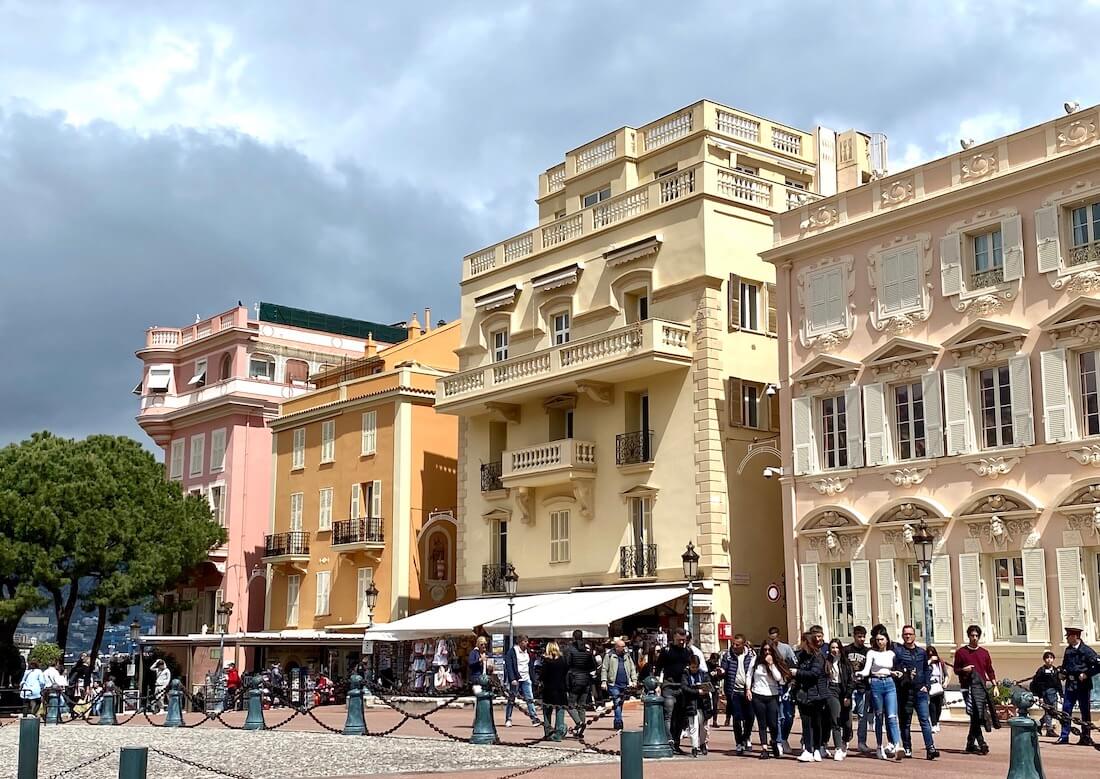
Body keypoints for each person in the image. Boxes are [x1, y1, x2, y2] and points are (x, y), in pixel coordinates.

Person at [894, 625, 939, 760]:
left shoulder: (921, 652)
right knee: (905, 722)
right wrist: (904, 675)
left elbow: (926, 669)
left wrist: (927, 685)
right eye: (905, 634)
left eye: (910, 634)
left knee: (925, 720)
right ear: (902, 636)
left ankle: (930, 748)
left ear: (914, 636)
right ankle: (907, 748)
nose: (908, 636)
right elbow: (896, 670)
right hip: (905, 691)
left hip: (920, 691)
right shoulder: (899, 652)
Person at [858, 629, 903, 761]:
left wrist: (895, 673)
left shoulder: (891, 653)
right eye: (877, 640)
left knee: (892, 716)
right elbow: (867, 670)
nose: (880, 642)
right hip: (876, 683)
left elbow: (894, 668)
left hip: (889, 683)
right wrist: (859, 673)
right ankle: (879, 746)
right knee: (879, 715)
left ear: (887, 640)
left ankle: (897, 745)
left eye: (882, 639)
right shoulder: (871, 653)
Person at [954, 624, 996, 755]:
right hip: (967, 688)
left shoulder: (984, 653)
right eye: (972, 636)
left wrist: (994, 685)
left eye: (976, 636)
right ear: (968, 636)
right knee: (974, 713)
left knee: (978, 715)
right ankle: (981, 742)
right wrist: (964, 670)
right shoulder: (961, 652)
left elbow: (989, 669)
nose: (974, 638)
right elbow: (956, 670)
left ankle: (970, 743)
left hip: (981, 688)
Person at [1056, 626, 1098, 746]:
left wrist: (1087, 674)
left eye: (1068, 637)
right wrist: (1062, 673)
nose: (1067, 639)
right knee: (1066, 710)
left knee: (1085, 712)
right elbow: (1065, 666)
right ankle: (1064, 736)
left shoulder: (1087, 651)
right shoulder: (1068, 650)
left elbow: (1097, 665)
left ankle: (1085, 737)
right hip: (1070, 685)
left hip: (1083, 685)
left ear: (1075, 637)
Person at [793, 630, 830, 762]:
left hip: (817, 694)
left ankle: (817, 748)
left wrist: (797, 672)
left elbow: (814, 673)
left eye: (803, 641)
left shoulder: (818, 656)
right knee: (806, 724)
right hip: (803, 694)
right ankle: (808, 749)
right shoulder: (800, 656)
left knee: (817, 723)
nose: (800, 644)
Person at [655, 627, 694, 754]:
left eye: (684, 640)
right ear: (674, 638)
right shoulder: (666, 651)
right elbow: (658, 668)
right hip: (669, 686)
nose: (682, 642)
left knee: (681, 717)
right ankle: (670, 740)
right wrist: (657, 685)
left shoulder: (688, 651)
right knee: (668, 715)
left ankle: (676, 742)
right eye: (679, 640)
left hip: (682, 687)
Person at [750, 640, 788, 759]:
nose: (766, 652)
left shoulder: (776, 662)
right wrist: (748, 689)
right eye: (765, 650)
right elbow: (749, 674)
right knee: (762, 722)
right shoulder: (755, 661)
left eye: (769, 650)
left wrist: (771, 665)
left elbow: (779, 679)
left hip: (772, 695)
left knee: (773, 723)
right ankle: (764, 748)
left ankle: (774, 741)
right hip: (758, 694)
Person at [719, 633, 756, 754]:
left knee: (750, 716)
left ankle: (746, 737)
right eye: (733, 644)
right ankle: (739, 742)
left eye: (737, 644)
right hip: (733, 691)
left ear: (743, 644)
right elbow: (724, 668)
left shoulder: (751, 655)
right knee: (737, 718)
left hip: (748, 691)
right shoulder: (728, 655)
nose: (734, 646)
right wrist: (721, 671)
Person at [768, 625, 798, 753]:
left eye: (775, 639)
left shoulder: (786, 648)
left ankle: (784, 737)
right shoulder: (767, 649)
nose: (773, 641)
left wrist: (792, 680)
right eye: (771, 638)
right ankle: (779, 740)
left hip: (786, 685)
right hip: (772, 686)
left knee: (789, 715)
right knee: (778, 716)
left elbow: (794, 663)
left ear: (778, 637)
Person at [824, 638, 854, 761]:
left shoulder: (845, 663)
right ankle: (837, 748)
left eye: (837, 647)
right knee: (835, 719)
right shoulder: (826, 662)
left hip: (844, 691)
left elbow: (852, 682)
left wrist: (847, 695)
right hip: (832, 690)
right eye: (832, 648)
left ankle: (845, 741)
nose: (835, 650)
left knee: (847, 723)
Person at [564, 629, 597, 739]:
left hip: (575, 679)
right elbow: (593, 665)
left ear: (573, 637)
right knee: (582, 706)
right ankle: (580, 730)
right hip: (586, 680)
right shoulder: (587, 650)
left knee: (570, 704)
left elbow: (567, 663)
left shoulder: (571, 650)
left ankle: (579, 723)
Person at [844, 626, 872, 752]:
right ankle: (846, 739)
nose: (861, 639)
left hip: (862, 687)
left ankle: (862, 742)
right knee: (847, 715)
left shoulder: (868, 651)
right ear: (854, 636)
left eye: (863, 636)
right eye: (859, 636)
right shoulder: (846, 650)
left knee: (862, 716)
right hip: (849, 688)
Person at [504, 635, 540, 727]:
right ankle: (508, 718)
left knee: (529, 698)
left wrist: (534, 679)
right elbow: (509, 666)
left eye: (527, 641)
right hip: (516, 678)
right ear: (520, 642)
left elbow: (530, 666)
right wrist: (512, 679)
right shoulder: (512, 652)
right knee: (512, 698)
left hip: (526, 677)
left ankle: (534, 718)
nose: (527, 643)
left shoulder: (527, 652)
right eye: (525, 641)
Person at [601, 638, 637, 731]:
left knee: (620, 703)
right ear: (617, 647)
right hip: (614, 684)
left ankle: (617, 720)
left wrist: (634, 680)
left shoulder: (627, 656)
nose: (624, 648)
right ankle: (618, 722)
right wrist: (604, 681)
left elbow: (632, 668)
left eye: (624, 646)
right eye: (622, 646)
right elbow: (604, 668)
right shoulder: (609, 656)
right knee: (617, 702)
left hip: (625, 684)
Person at [682, 654, 712, 757]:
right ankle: (694, 747)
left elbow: (709, 685)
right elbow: (684, 688)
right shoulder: (686, 675)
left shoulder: (703, 674)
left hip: (703, 704)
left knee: (703, 726)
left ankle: (702, 743)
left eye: (696, 667)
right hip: (692, 703)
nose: (694, 669)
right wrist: (696, 691)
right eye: (692, 667)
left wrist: (705, 689)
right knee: (693, 726)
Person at [1029, 650, 1062, 738]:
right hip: (1045, 694)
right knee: (1048, 711)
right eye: (1047, 658)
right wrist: (1040, 696)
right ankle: (1049, 729)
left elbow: (1058, 683)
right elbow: (1037, 683)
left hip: (1053, 694)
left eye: (1051, 658)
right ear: (1044, 660)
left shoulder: (1055, 671)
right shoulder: (1041, 671)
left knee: (1053, 712)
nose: (1049, 660)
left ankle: (1039, 725)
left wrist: (1061, 695)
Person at [540, 642, 569, 741]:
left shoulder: (546, 661)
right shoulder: (562, 660)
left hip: (548, 689)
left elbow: (542, 676)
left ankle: (548, 732)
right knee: (560, 711)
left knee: (547, 712)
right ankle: (558, 733)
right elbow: (566, 672)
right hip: (560, 688)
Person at [926, 646, 949, 733]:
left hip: (939, 686)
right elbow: (923, 668)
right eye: (929, 653)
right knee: (932, 707)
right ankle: (933, 724)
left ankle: (937, 722)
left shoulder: (940, 663)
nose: (932, 655)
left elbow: (946, 674)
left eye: (933, 653)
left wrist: (945, 683)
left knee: (939, 706)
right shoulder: (927, 663)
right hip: (930, 686)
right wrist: (930, 661)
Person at [706, 652, 722, 729]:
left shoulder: (717, 666)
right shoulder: (706, 665)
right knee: (708, 703)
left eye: (716, 660)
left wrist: (719, 674)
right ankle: (707, 719)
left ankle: (715, 720)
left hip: (715, 686)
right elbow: (705, 674)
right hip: (708, 685)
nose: (715, 662)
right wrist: (710, 674)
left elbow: (720, 676)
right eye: (714, 660)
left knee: (715, 704)